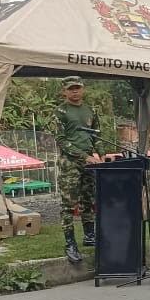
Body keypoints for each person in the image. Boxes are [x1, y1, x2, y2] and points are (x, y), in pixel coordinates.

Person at [55, 76, 101, 264]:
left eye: (78, 88)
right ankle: (70, 243)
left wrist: (102, 154)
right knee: (69, 204)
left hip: (89, 162)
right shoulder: (60, 112)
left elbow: (97, 134)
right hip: (70, 163)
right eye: (71, 89)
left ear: (83, 89)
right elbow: (61, 140)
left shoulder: (90, 110)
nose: (75, 91)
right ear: (64, 91)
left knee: (88, 199)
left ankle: (90, 235)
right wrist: (84, 156)